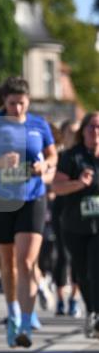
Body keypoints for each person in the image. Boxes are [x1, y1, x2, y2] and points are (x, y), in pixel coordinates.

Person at [0, 76, 57, 349]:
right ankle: (13, 316)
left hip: (32, 197)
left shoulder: (38, 124)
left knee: (27, 262)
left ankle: (26, 324)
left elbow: (53, 155)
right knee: (8, 265)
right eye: (12, 104)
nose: (17, 109)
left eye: (21, 104)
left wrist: (45, 167)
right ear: (4, 102)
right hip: (1, 200)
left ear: (28, 101)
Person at [52, 112, 99, 337]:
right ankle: (92, 311)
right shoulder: (72, 156)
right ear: (84, 131)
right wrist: (79, 184)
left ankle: (96, 313)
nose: (95, 132)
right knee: (82, 272)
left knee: (96, 267)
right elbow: (57, 187)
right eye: (92, 127)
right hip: (75, 225)